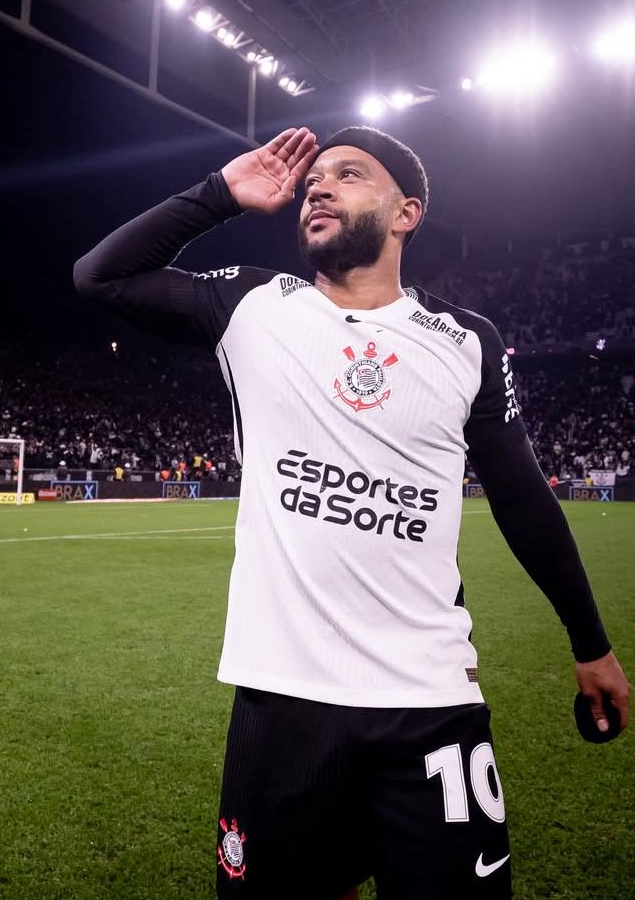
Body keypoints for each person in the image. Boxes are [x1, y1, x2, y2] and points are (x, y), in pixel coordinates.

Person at [74, 125, 629, 899]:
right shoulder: (252, 305)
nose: (318, 186)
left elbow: (523, 498)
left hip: (429, 703)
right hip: (283, 703)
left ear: (407, 212)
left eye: (348, 174)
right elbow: (99, 276)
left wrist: (591, 642)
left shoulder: (468, 341)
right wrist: (219, 195)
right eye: (313, 180)